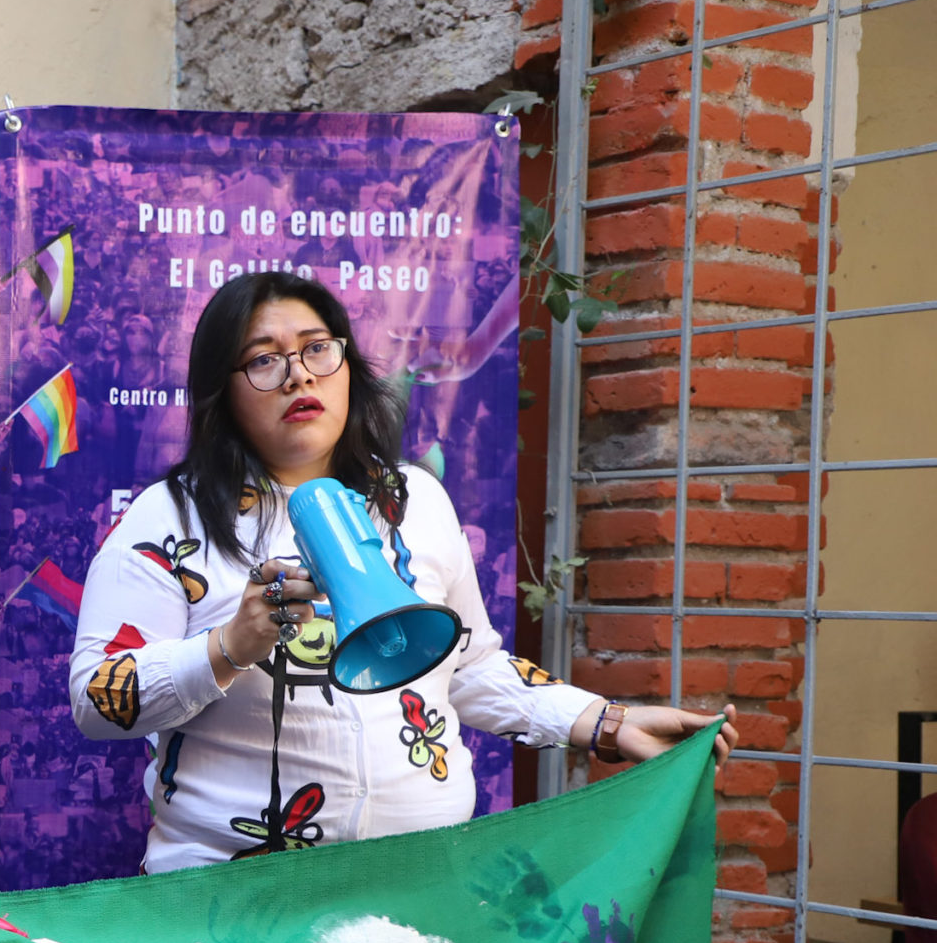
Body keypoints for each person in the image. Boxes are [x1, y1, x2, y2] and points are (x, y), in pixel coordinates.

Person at [69, 271, 735, 872]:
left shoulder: (414, 498)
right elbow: (96, 697)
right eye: (264, 360)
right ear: (223, 392)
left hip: (424, 886)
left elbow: (470, 668)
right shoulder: (170, 517)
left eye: (317, 347)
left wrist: (607, 723)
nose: (299, 375)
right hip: (236, 900)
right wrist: (227, 647)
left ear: (349, 366)